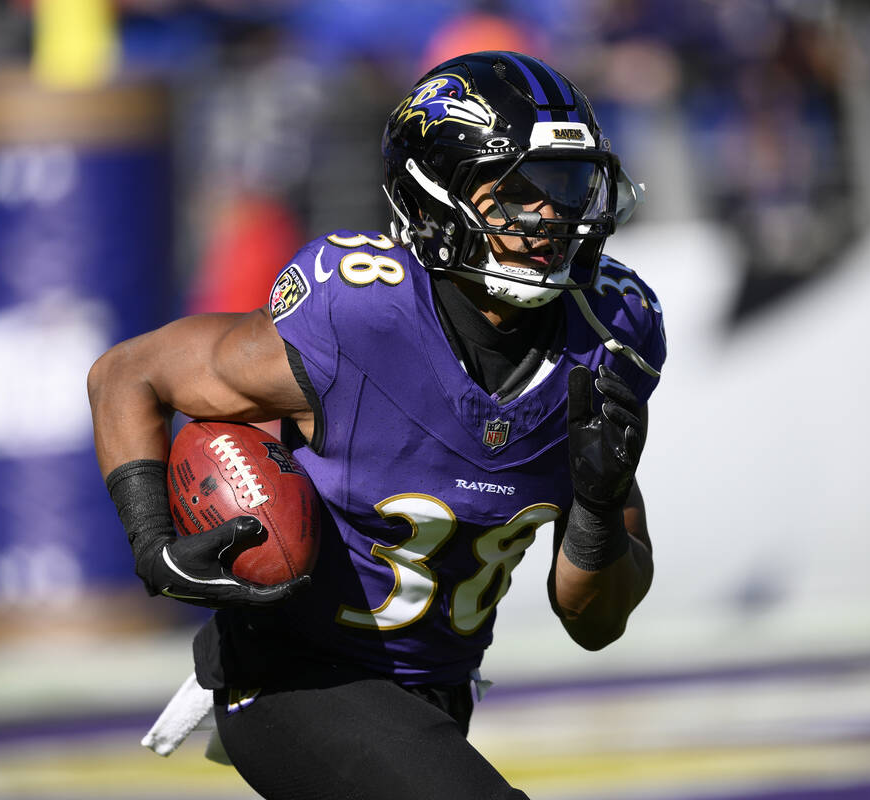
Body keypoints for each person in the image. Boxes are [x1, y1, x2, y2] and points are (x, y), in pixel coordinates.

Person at [88, 50, 665, 800]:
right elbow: (127, 373)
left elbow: (597, 622)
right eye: (518, 187)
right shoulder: (359, 315)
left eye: (565, 182)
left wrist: (596, 503)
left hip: (435, 696)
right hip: (292, 675)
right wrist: (151, 541)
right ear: (431, 199)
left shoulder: (608, 333)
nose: (550, 212)